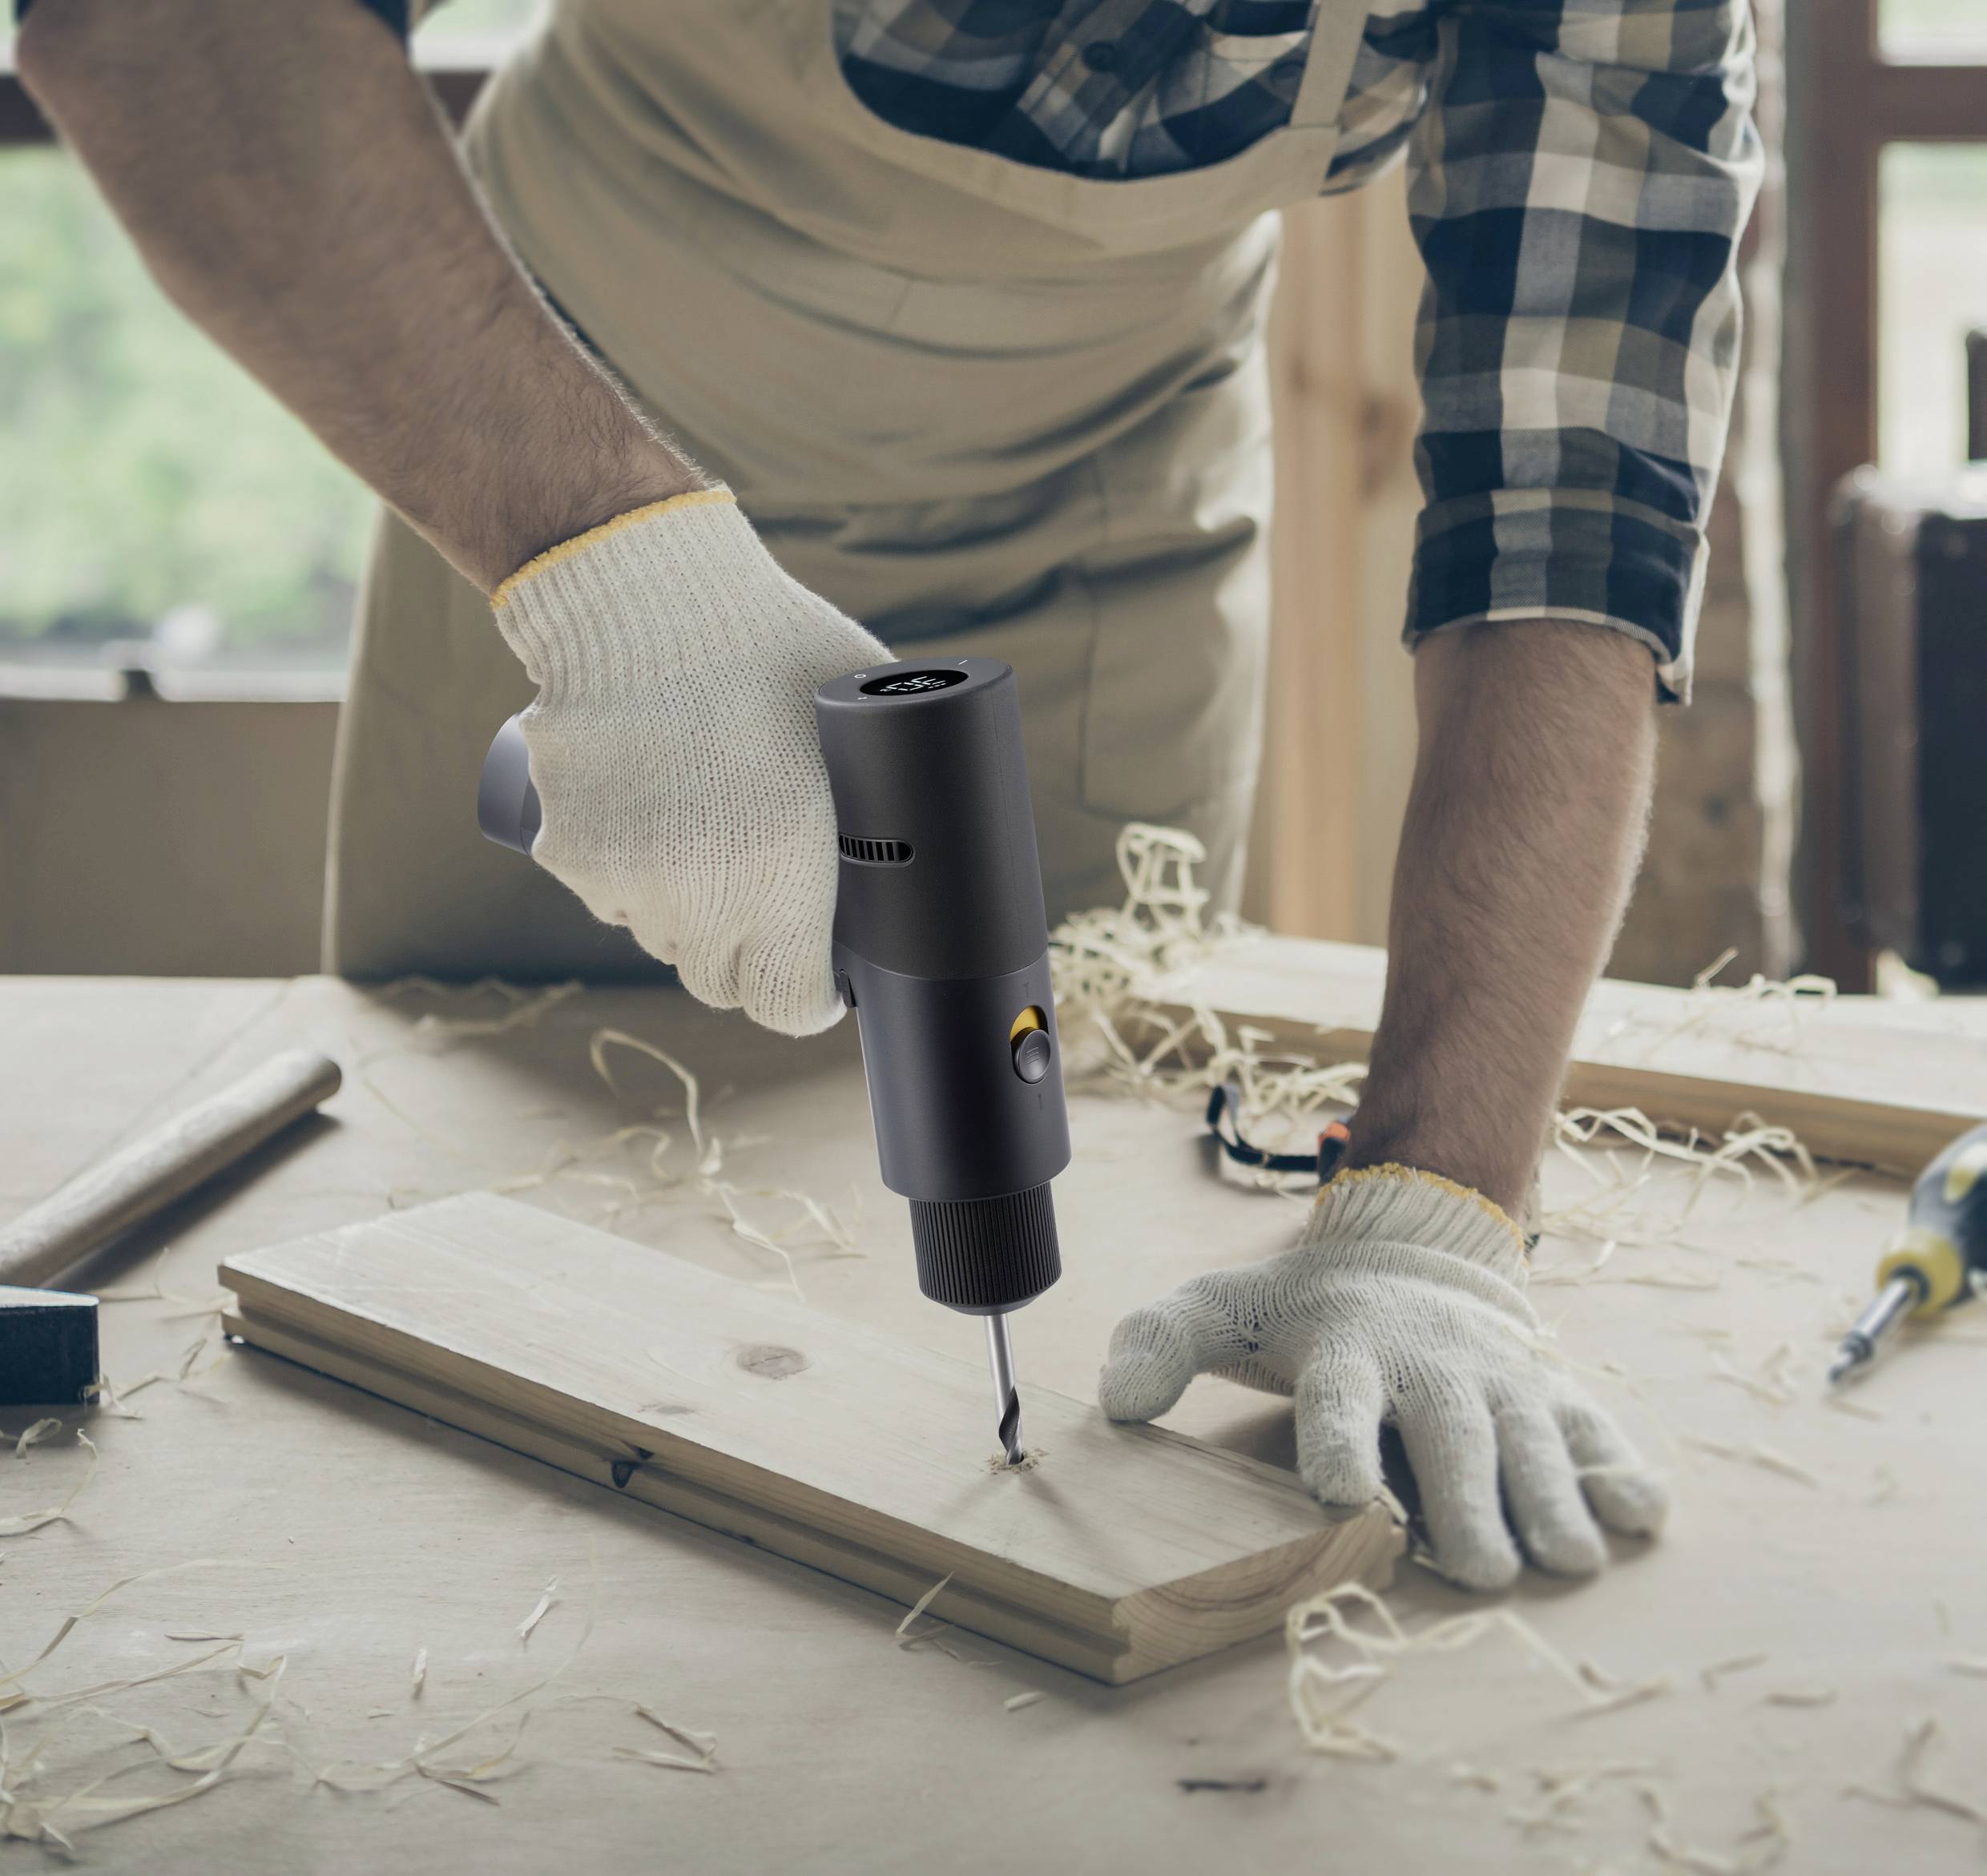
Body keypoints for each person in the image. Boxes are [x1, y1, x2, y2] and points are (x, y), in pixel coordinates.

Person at [17, 0, 1759, 1590]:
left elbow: (1570, 501)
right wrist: (622, 589)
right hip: (543, 417)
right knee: (489, 1147)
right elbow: (167, 30)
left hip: (1098, 486)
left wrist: (1434, 1206)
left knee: (1077, 1115)